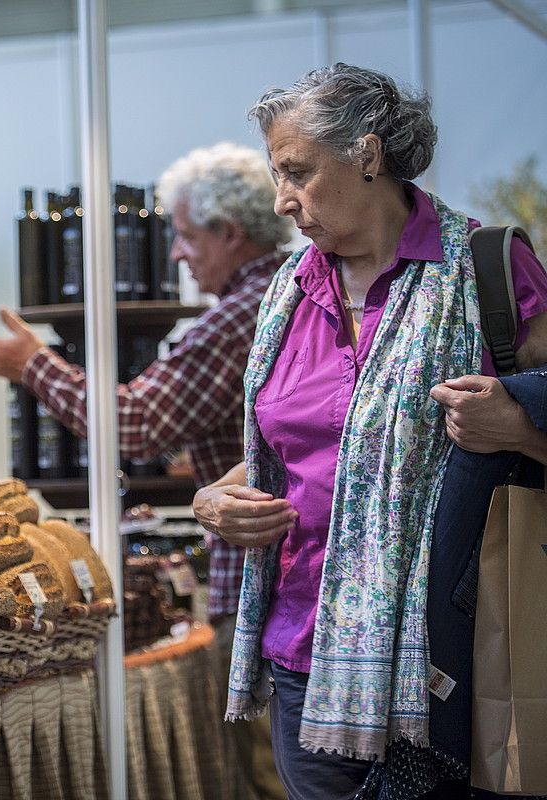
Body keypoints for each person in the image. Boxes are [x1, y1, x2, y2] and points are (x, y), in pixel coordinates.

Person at [192, 63, 547, 799]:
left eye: (297, 172)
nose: (283, 201)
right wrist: (214, 503)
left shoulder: (486, 271)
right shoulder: (286, 297)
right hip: (304, 660)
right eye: (276, 175)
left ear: (367, 154)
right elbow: (304, 453)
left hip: (456, 660)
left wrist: (517, 420)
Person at [0, 142, 292, 800]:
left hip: (261, 588)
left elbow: (135, 423)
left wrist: (33, 364)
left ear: (230, 232)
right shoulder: (295, 291)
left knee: (268, 778)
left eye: (187, 237)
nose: (176, 257)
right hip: (290, 586)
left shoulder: (239, 315)